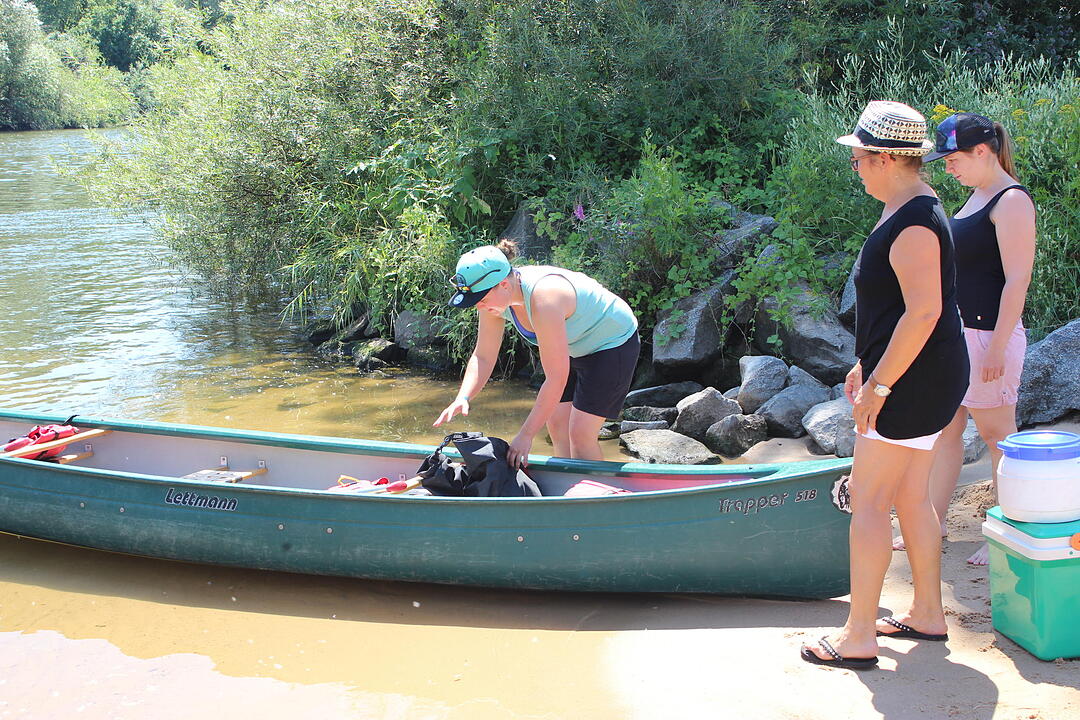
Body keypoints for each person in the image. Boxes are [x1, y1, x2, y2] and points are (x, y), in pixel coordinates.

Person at [800, 101, 969, 670]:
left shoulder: (915, 221)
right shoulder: (909, 206)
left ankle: (857, 637)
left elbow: (923, 313)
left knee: (868, 501)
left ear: (884, 159)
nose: (855, 168)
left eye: (858, 158)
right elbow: (894, 309)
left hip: (915, 382)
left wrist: (881, 386)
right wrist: (864, 365)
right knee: (909, 496)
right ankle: (927, 613)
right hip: (922, 375)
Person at [892, 113, 1037, 565]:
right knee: (944, 432)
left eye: (953, 159)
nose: (948, 168)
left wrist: (995, 347)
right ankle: (930, 524)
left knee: (998, 437)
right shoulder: (977, 196)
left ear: (982, 151)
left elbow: (1017, 280)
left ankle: (1005, 532)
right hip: (957, 334)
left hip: (991, 335)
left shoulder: (1012, 200)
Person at [434, 240, 639, 468]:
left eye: (480, 300)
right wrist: (463, 397)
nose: (479, 307)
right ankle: (565, 490)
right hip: (571, 345)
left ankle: (595, 498)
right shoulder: (494, 302)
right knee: (558, 424)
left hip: (610, 343)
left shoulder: (544, 298)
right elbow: (483, 355)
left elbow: (556, 378)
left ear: (503, 284)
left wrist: (525, 435)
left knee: (580, 434)